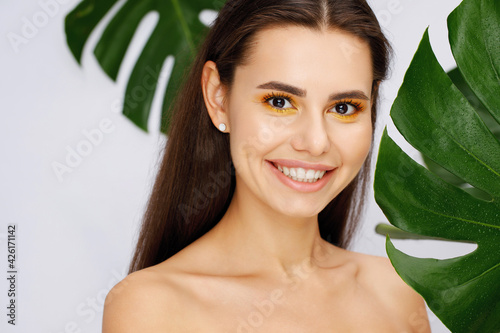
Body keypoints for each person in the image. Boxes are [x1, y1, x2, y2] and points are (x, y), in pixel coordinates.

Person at [103, 0, 431, 331]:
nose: (316, 142)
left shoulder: (396, 293)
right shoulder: (152, 308)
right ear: (218, 97)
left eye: (344, 107)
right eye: (279, 102)